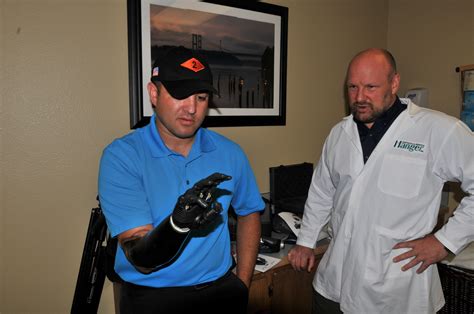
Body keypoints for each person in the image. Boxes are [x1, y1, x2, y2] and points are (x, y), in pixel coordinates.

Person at [288, 48, 474, 313]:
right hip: (334, 286)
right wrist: (306, 241)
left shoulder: (437, 130)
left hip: (396, 292)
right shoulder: (340, 133)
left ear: (394, 83)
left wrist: (444, 242)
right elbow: (322, 191)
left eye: (371, 87)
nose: (360, 97)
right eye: (352, 87)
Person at [98, 46, 264, 314]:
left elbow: (250, 212)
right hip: (152, 298)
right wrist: (176, 226)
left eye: (201, 97)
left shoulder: (230, 153)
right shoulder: (122, 157)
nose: (191, 108)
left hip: (221, 292)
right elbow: (141, 258)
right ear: (154, 93)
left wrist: (242, 283)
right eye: (180, 95)